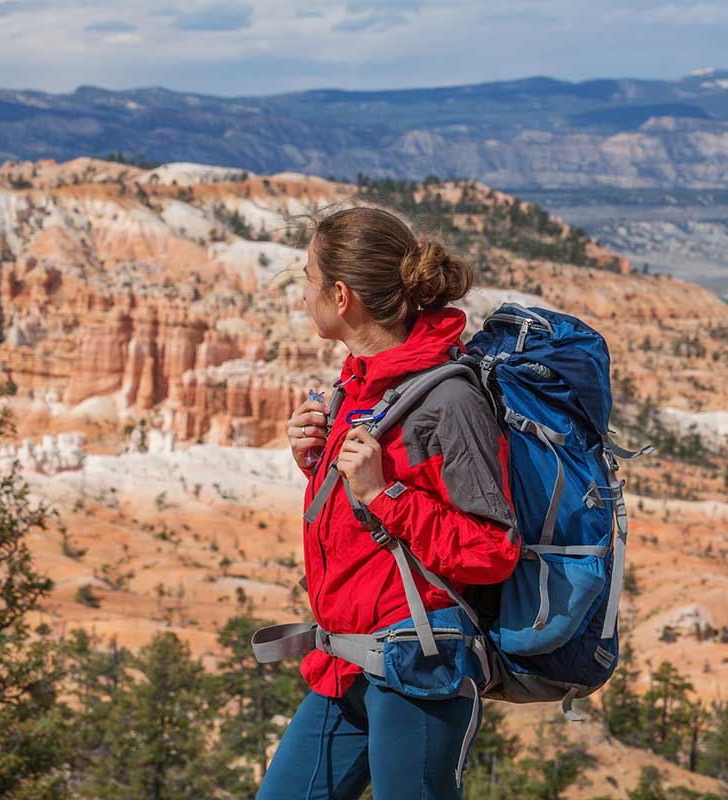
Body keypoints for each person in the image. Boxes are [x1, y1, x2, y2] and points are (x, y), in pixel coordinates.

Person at [259, 206, 520, 800]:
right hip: (344, 660)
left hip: (415, 664)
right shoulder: (359, 383)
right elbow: (365, 523)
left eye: (308, 276)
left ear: (342, 295)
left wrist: (382, 493)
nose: (303, 293)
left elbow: (492, 549)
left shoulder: (449, 401)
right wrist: (315, 463)